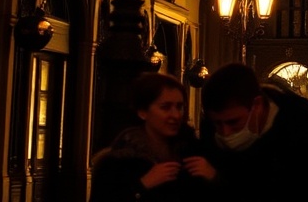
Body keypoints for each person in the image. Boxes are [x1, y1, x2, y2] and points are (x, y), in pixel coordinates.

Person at [200, 62, 308, 202]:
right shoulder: (209, 144)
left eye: (233, 122)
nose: (225, 133)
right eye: (217, 124)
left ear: (257, 106)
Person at [89, 72, 216, 202]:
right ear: (143, 112)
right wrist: (141, 186)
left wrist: (214, 179)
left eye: (179, 107)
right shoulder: (117, 162)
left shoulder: (195, 155)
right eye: (165, 107)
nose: (176, 115)